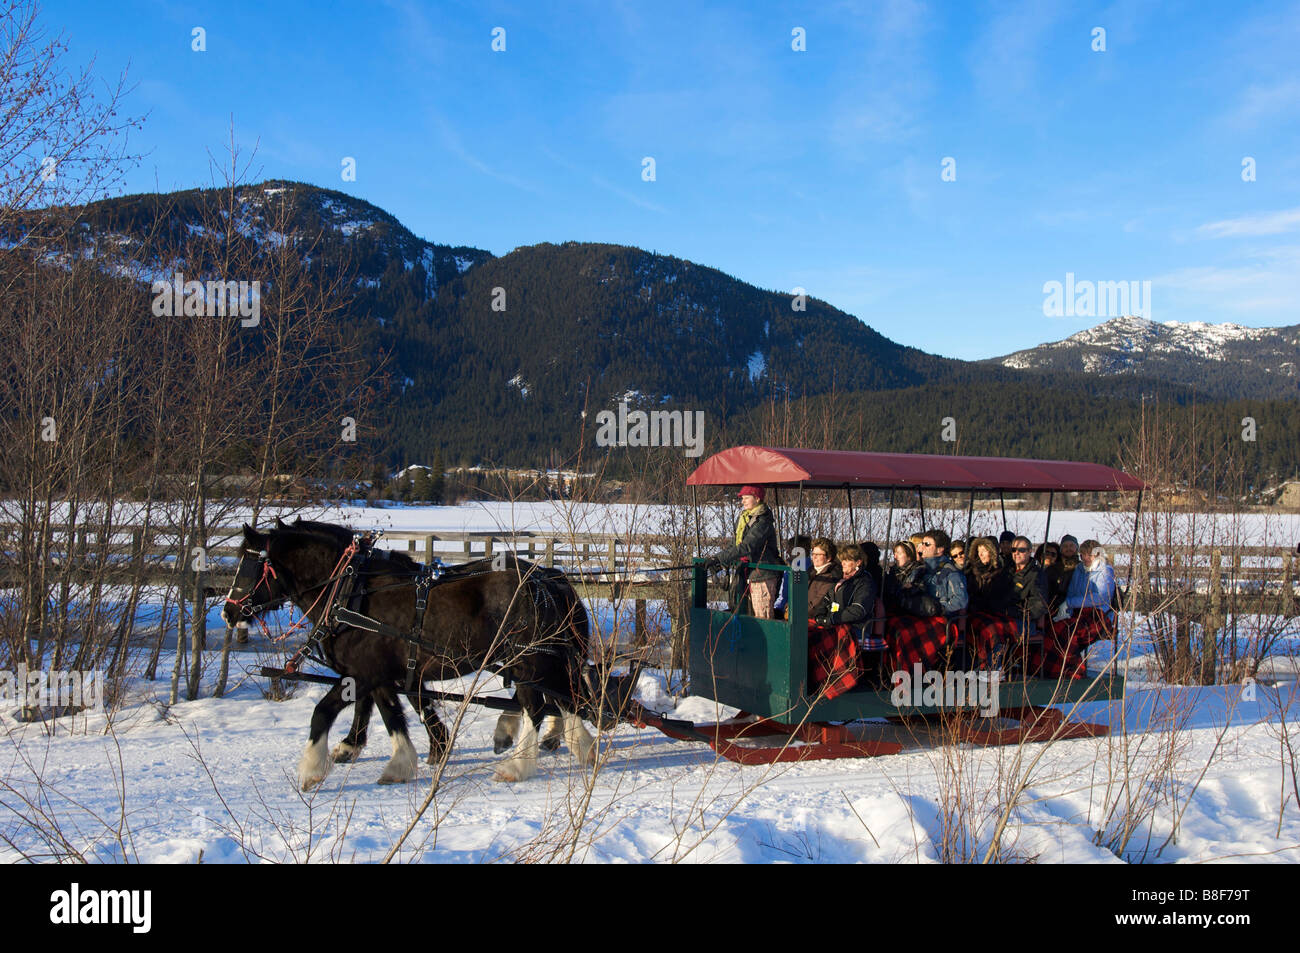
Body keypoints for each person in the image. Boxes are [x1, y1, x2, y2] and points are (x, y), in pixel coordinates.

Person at [705, 485, 783, 618]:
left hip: (762, 575)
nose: (743, 501)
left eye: (746, 498)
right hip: (745, 573)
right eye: (742, 498)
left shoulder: (763, 521)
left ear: (757, 498)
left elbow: (747, 547)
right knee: (741, 613)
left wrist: (720, 558)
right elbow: (735, 545)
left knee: (762, 616)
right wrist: (717, 559)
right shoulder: (744, 519)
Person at [812, 544, 878, 631]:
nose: (843, 563)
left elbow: (858, 610)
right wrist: (819, 616)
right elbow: (826, 600)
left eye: (847, 560)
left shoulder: (865, 582)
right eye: (842, 560)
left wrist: (833, 619)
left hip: (855, 628)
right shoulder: (840, 580)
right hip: (835, 625)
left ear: (858, 562)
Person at [1058, 539, 1116, 624]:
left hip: (1098, 615)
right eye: (1082, 555)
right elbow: (1071, 593)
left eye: (1089, 555)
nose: (1085, 558)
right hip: (1078, 613)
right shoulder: (1079, 569)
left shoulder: (1105, 571)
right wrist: (1067, 613)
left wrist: (1070, 603)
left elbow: (1101, 597)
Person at [917, 528, 969, 616]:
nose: (922, 547)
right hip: (922, 616)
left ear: (939, 550)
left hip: (942, 620)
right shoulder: (921, 570)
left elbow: (961, 600)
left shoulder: (951, 572)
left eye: (927, 544)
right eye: (922, 543)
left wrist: (940, 609)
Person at [884, 540, 940, 616]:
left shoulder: (919, 571)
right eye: (894, 553)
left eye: (899, 553)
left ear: (909, 556)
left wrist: (909, 588)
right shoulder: (892, 573)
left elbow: (921, 589)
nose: (895, 557)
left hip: (912, 614)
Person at [966, 537, 1016, 615]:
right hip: (975, 614)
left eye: (984, 551)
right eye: (979, 551)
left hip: (995, 615)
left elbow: (1004, 598)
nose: (980, 554)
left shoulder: (1003, 573)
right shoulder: (972, 572)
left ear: (992, 551)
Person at [1008, 536, 1049, 629]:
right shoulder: (1007, 571)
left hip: (1025, 621)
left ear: (1030, 551)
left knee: (995, 628)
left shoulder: (1036, 575)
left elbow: (1039, 605)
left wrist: (1018, 613)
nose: (1017, 553)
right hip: (1005, 615)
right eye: (1014, 549)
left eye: (1022, 550)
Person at [805, 537, 842, 617]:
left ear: (828, 558)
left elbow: (818, 603)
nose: (814, 557)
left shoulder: (831, 576)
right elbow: (797, 593)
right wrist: (788, 607)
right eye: (813, 554)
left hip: (815, 620)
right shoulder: (810, 571)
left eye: (818, 555)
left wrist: (798, 613)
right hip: (799, 616)